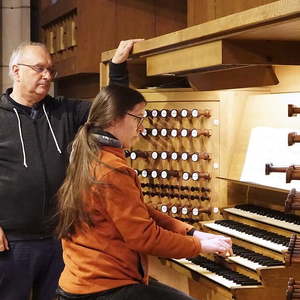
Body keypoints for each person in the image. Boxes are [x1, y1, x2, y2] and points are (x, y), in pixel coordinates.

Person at [56, 84, 233, 300]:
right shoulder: (111, 169)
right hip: (101, 287)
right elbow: (144, 237)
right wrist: (199, 246)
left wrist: (191, 233)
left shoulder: (90, 155)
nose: (142, 128)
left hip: (85, 279)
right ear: (113, 119)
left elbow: (138, 211)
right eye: (138, 118)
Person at [0, 39, 142, 300]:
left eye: (50, 70)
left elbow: (110, 109)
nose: (47, 76)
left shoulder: (65, 111)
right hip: (13, 242)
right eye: (39, 68)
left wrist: (118, 68)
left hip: (63, 237)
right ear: (16, 70)